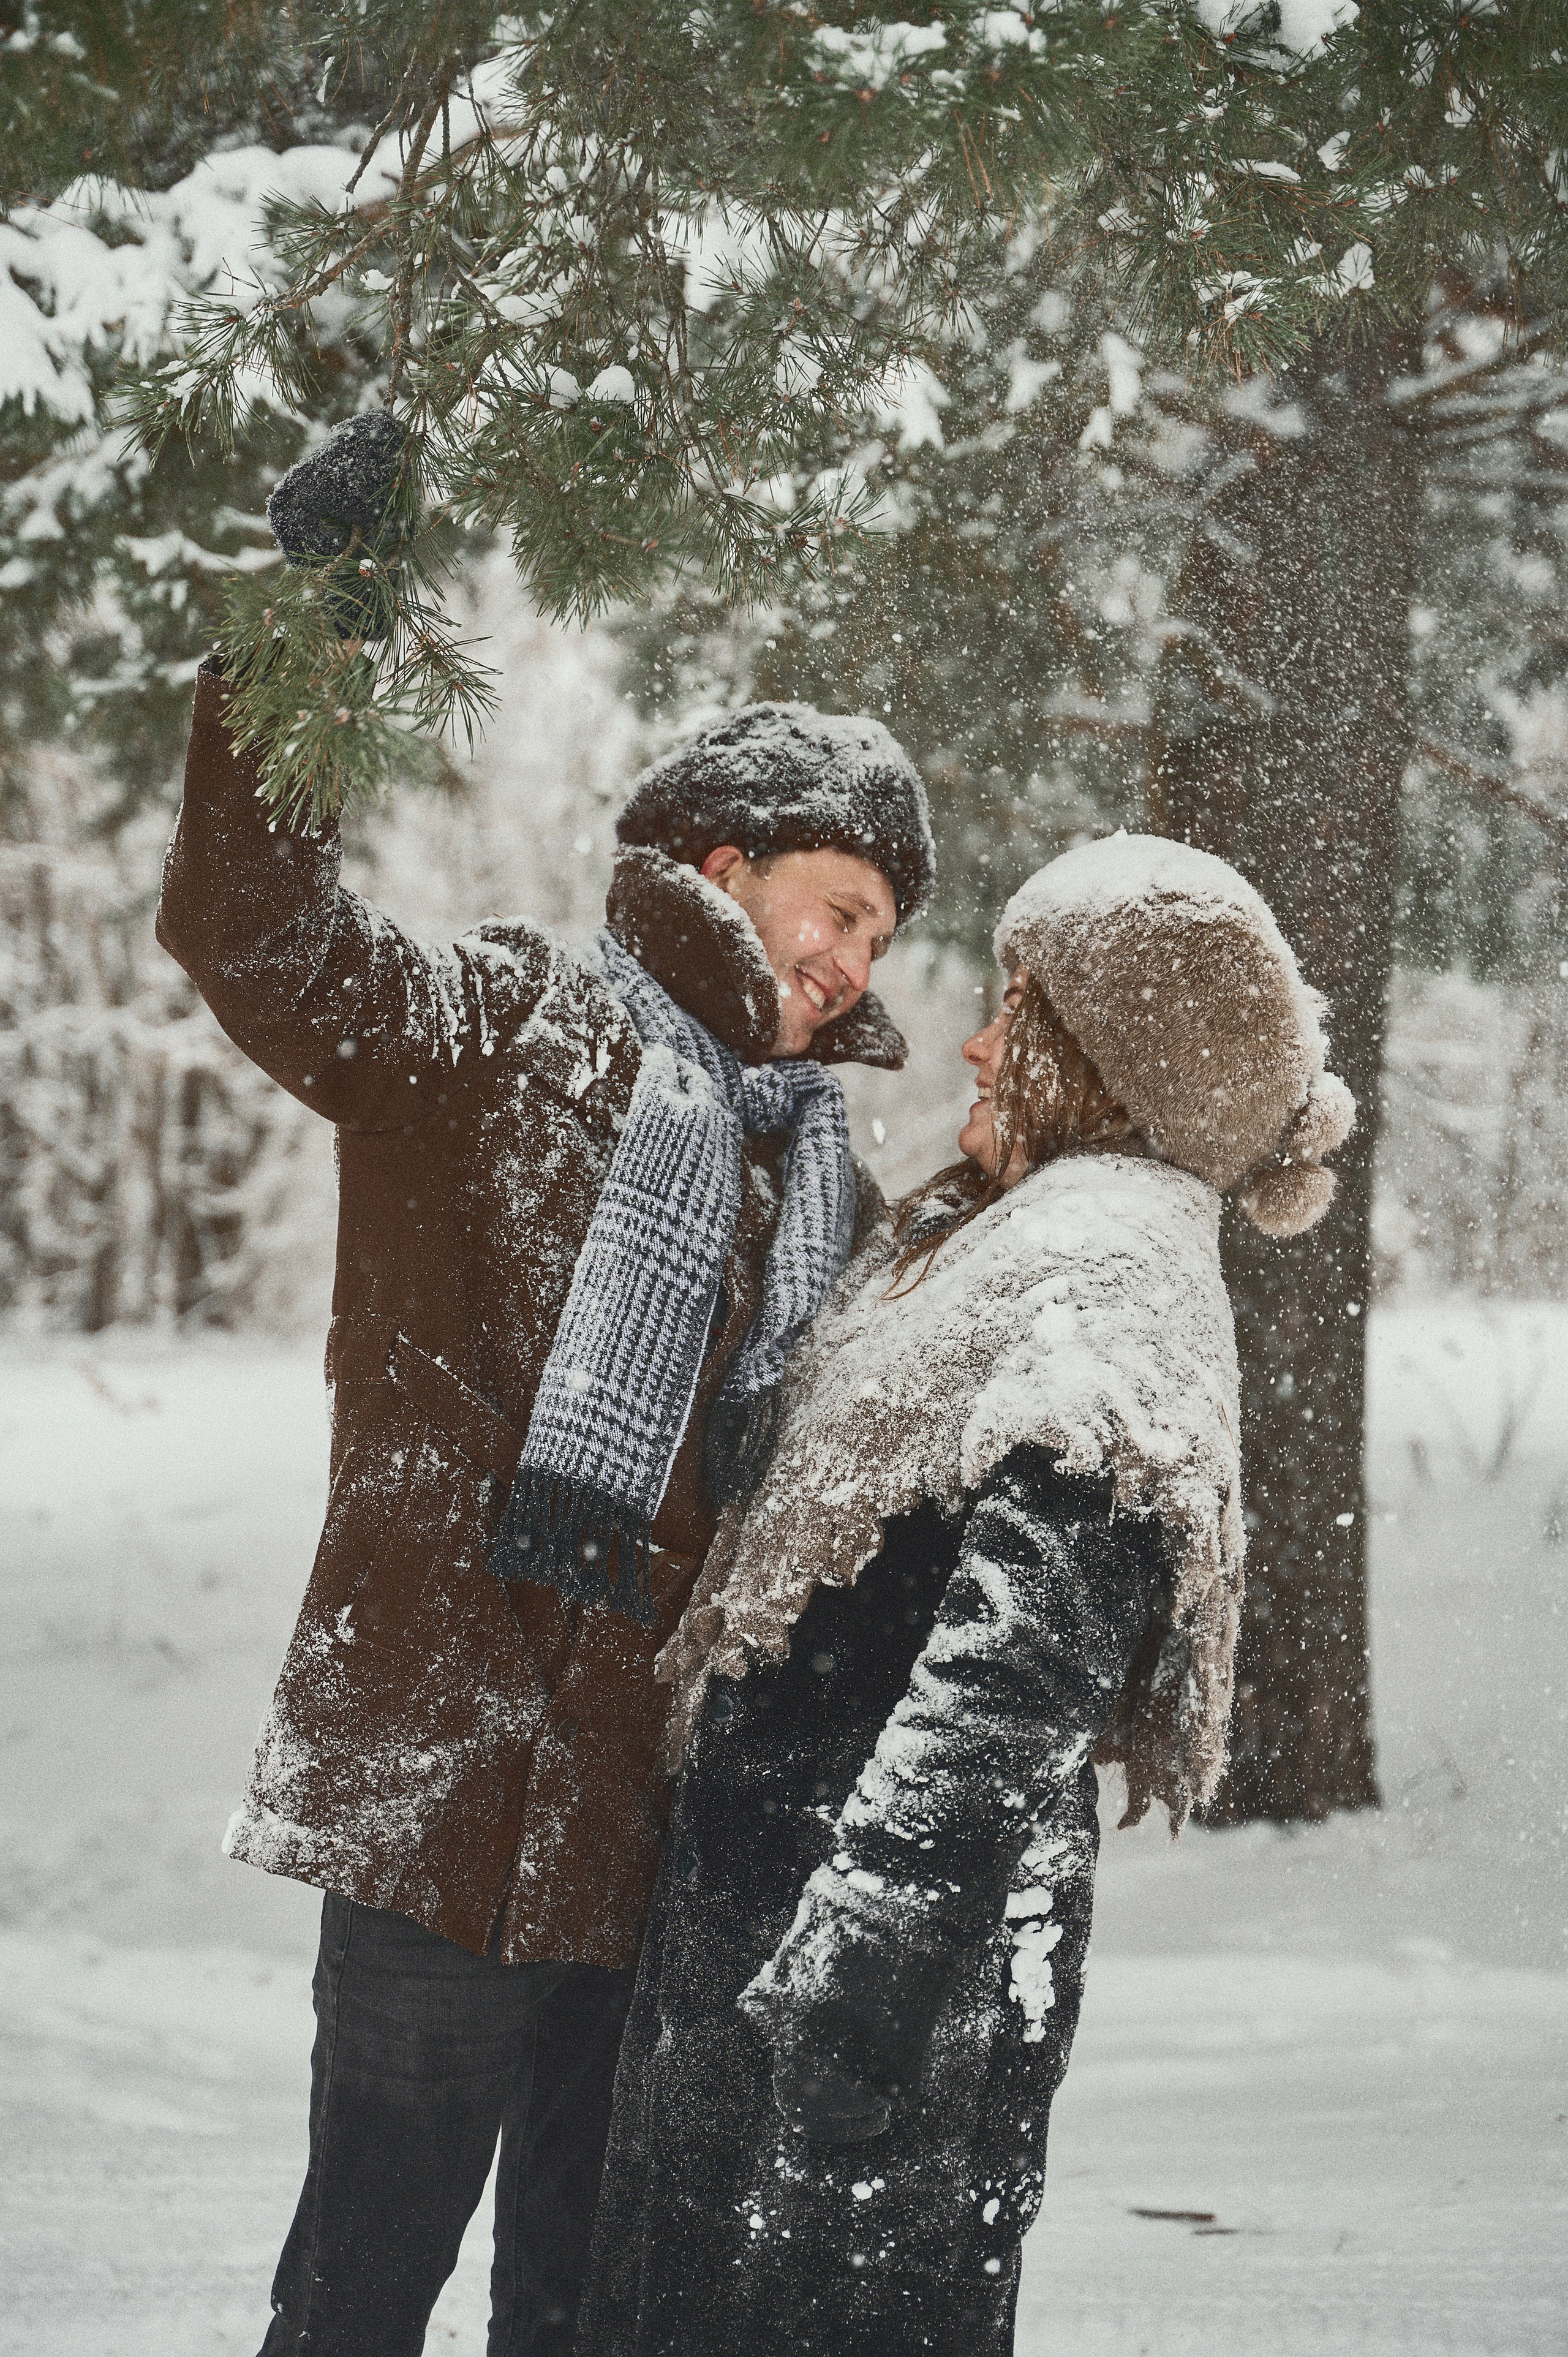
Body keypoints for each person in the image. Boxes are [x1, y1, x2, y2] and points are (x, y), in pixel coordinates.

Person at [154, 414, 935, 2357]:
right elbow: (255, 935)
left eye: (883, 942)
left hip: (656, 1834)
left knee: (594, 2315)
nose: (852, 966)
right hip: (441, 1786)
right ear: (722, 863)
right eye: (836, 908)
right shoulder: (508, 1025)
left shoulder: (811, 1175)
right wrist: (312, 645)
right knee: (360, 2295)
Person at [577, 832, 1355, 2357]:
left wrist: (861, 1961)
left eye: (1024, 1010)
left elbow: (1021, 1657)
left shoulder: (1110, 1267)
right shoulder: (999, 1240)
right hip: (785, 1941)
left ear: (1113, 1054)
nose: (982, 1042)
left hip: (866, 1996)